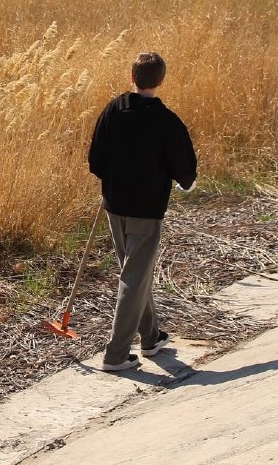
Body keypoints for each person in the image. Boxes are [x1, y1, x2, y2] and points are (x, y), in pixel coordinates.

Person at [87, 51, 197, 371]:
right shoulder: (166, 121)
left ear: (132, 78)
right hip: (145, 212)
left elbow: (96, 160)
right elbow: (185, 172)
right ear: (160, 81)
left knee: (134, 272)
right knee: (134, 278)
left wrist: (112, 181)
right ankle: (116, 354)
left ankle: (150, 337)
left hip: (114, 206)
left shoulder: (112, 110)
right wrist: (184, 184)